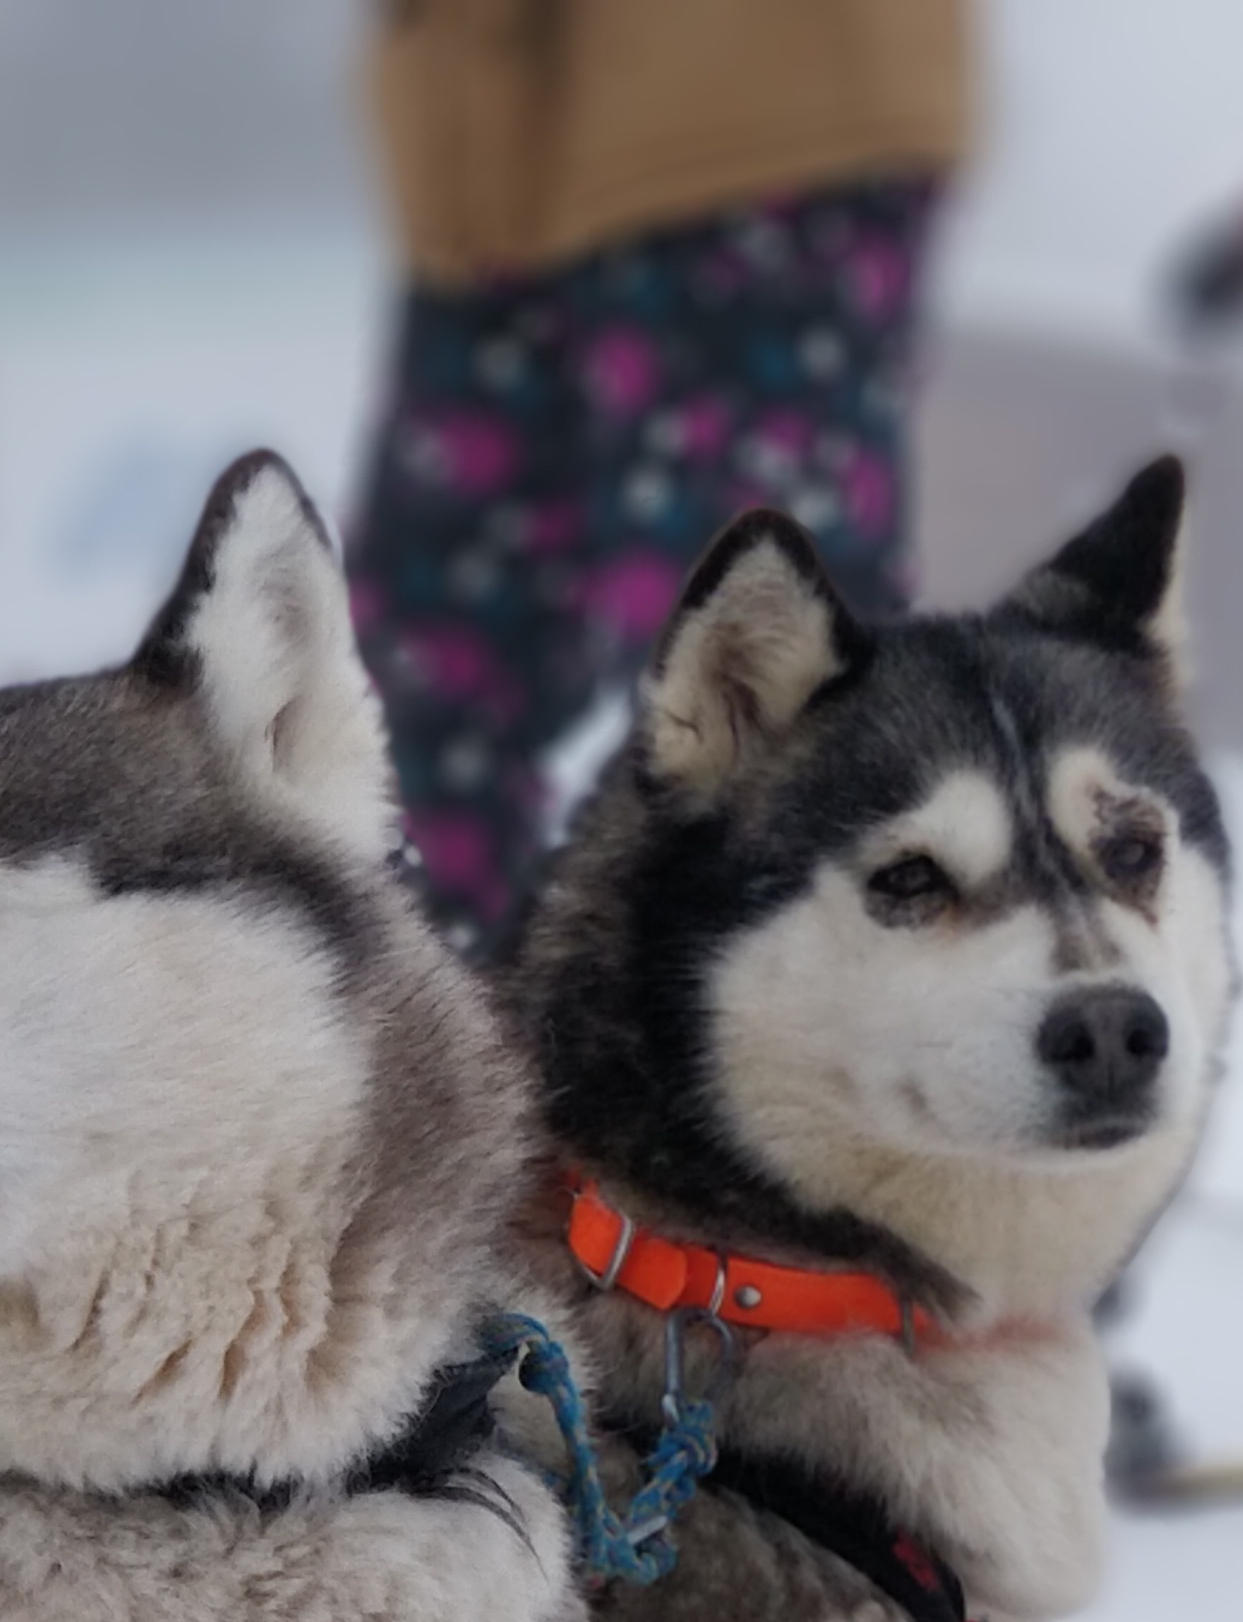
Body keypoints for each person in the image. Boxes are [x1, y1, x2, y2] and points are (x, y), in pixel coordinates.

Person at [347, 0, 972, 949]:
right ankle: (461, 1035)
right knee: (404, 720)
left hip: (749, 114)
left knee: (760, 699)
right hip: (493, 158)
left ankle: (784, 1037)